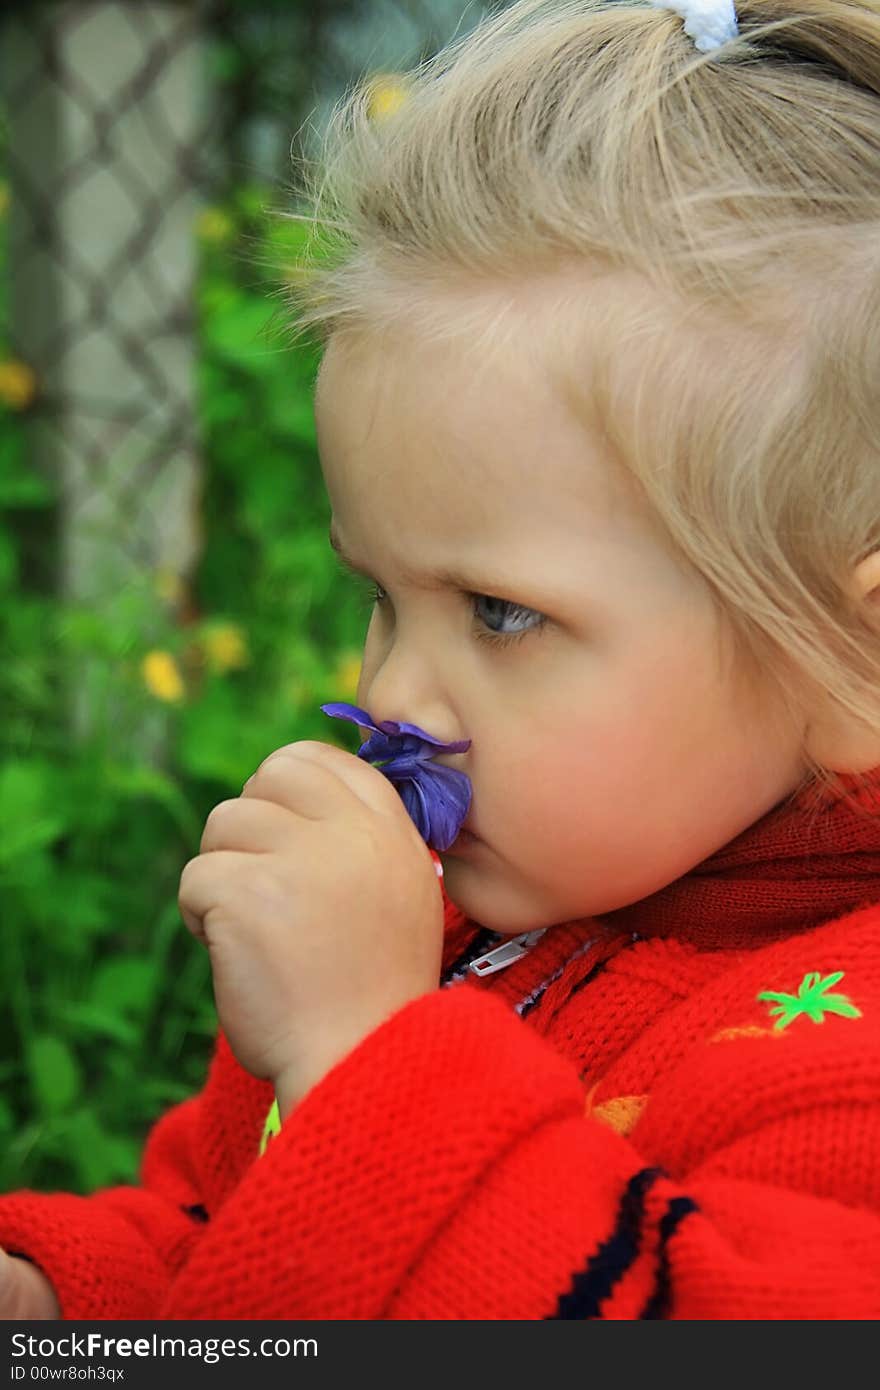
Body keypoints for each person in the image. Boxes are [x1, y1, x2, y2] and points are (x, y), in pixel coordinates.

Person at [2, 0, 880, 1320]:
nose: (394, 699)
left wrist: (368, 1058)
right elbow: (232, 1246)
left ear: (847, 655)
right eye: (380, 593)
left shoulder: (839, 1065)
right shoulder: (444, 914)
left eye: (500, 611)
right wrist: (61, 1300)